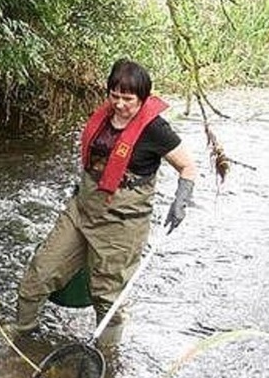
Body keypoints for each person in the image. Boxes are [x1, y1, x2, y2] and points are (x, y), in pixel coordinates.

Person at [10, 59, 197, 346]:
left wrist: (181, 200)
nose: (120, 105)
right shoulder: (104, 116)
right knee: (39, 273)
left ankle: (106, 359)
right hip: (82, 210)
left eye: (128, 99)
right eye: (115, 96)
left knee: (107, 297)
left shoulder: (156, 129)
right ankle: (22, 339)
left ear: (143, 98)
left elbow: (187, 166)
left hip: (122, 224)